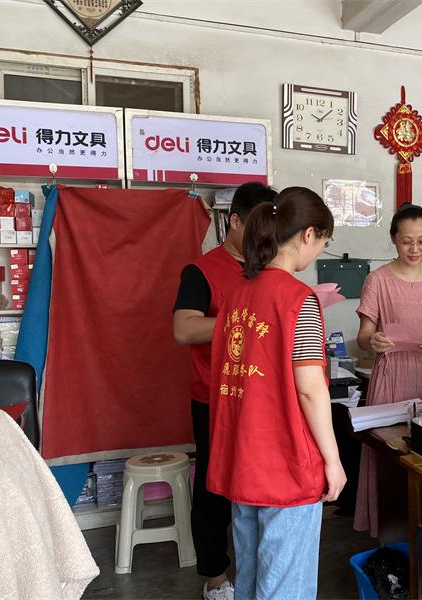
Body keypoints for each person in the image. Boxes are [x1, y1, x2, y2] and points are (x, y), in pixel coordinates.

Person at [206, 187, 346, 600]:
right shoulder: (299, 300)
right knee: (286, 587)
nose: (318, 251)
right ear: (308, 235)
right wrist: (333, 461)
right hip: (287, 462)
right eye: (323, 241)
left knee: (251, 579)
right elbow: (310, 390)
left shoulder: (236, 296)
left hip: (243, 459)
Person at [172, 182, 276, 600]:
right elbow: (184, 329)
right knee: (214, 487)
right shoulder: (202, 271)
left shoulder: (270, 269)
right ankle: (215, 577)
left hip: (262, 398)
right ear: (234, 221)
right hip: (214, 398)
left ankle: (258, 567)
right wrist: (241, 320)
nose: (264, 239)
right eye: (257, 228)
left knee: (257, 484)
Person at [354, 203, 422, 537]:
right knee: (389, 453)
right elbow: (363, 336)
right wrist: (373, 341)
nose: (415, 249)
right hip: (392, 375)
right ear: (393, 239)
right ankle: (391, 531)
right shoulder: (377, 280)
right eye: (406, 242)